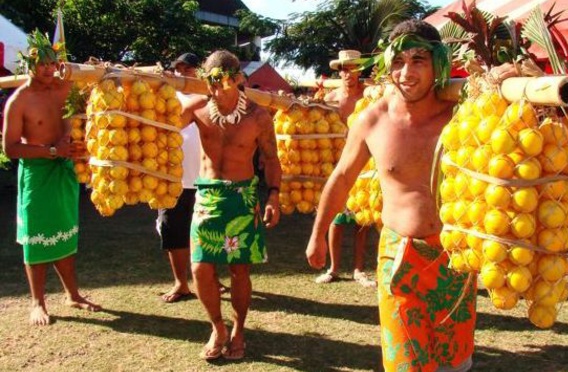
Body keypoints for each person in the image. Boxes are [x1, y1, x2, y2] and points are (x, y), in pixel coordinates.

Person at [306, 20, 517, 371]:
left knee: (454, 363)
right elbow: (342, 178)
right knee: (405, 365)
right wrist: (316, 234)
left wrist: (508, 75)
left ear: (439, 63)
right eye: (399, 61)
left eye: (418, 60)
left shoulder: (466, 116)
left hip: (455, 257)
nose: (406, 72)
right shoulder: (373, 120)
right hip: (398, 259)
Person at [180, 50, 281, 360]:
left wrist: (273, 195)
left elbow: (272, 159)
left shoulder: (258, 116)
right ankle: (217, 327)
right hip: (207, 196)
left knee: (239, 271)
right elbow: (161, 125)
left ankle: (238, 329)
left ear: (237, 79)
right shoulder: (197, 109)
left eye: (221, 81)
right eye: (209, 81)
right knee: (199, 269)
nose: (214, 88)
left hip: (243, 198)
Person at [2, 30, 101, 326]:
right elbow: (10, 148)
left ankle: (73, 294)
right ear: (29, 65)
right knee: (36, 237)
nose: (48, 69)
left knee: (66, 233)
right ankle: (37, 302)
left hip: (65, 172)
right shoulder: (18, 101)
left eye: (52, 63)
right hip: (37, 172)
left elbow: (95, 88)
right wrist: (51, 150)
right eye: (42, 64)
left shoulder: (66, 87)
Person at [156, 52, 226, 302]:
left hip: (205, 178)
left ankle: (213, 279)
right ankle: (181, 284)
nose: (182, 72)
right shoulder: (166, 97)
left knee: (209, 232)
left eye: (188, 69)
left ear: (198, 71)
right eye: (178, 68)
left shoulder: (212, 99)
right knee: (173, 232)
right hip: (170, 178)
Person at [315, 50, 375, 288]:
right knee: (335, 218)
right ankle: (333, 268)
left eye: (353, 68)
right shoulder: (330, 98)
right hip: (335, 162)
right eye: (344, 69)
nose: (348, 73)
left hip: (364, 163)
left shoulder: (369, 96)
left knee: (362, 220)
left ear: (360, 70)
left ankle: (359, 269)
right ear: (339, 71)